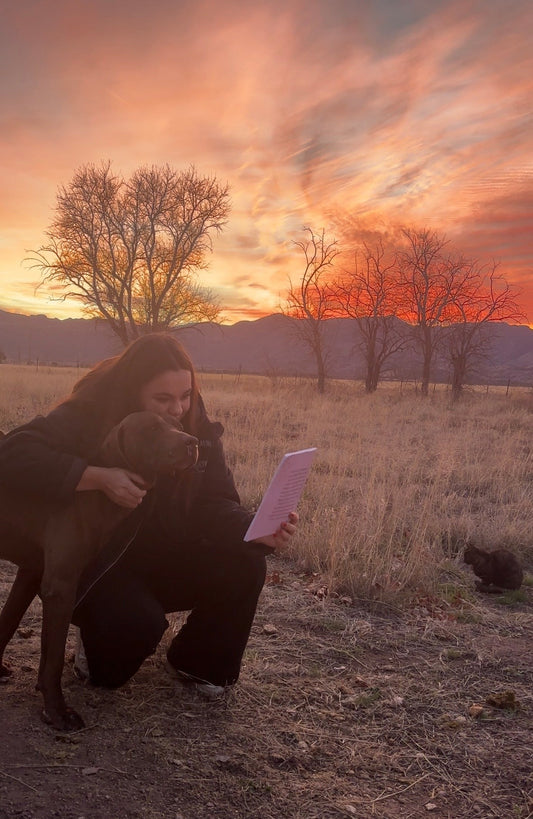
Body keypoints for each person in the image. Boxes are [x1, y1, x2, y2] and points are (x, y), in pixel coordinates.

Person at [0, 334, 298, 697]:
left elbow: (214, 500)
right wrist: (95, 477)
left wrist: (252, 528)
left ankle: (196, 662)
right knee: (125, 644)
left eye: (186, 395)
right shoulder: (91, 412)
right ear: (133, 390)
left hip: (162, 549)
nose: (178, 408)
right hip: (100, 563)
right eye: (163, 399)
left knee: (245, 561)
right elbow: (12, 454)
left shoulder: (195, 426)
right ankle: (96, 641)